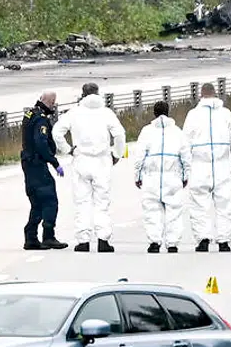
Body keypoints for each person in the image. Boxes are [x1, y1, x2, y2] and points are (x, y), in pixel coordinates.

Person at [51, 82, 125, 253]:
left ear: (82, 94)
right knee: (102, 202)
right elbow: (119, 134)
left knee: (82, 201)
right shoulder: (106, 113)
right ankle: (103, 240)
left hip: (81, 159)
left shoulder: (74, 112)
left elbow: (57, 132)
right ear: (98, 93)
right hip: (102, 160)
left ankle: (83, 240)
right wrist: (117, 154)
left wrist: (68, 149)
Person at [181, 82, 231, 252]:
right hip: (222, 166)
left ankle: (203, 239)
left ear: (201, 95)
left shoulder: (193, 115)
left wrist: (184, 170)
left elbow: (184, 144)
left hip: (199, 166)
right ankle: (224, 241)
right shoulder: (226, 114)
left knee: (199, 205)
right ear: (216, 95)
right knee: (224, 205)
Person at [134, 100, 191, 253]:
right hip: (172, 177)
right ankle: (172, 243)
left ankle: (154, 242)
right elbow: (186, 156)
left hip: (151, 177)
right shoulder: (178, 132)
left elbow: (139, 156)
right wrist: (186, 175)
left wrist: (137, 175)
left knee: (151, 212)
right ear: (168, 111)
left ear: (154, 112)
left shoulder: (146, 131)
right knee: (174, 211)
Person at [20, 90, 68, 250]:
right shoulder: (41, 120)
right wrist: (54, 163)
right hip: (37, 165)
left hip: (28, 164)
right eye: (53, 103)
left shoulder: (29, 114)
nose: (54, 106)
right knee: (49, 200)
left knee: (37, 203)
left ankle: (31, 237)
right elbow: (41, 143)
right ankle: (48, 235)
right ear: (51, 102)